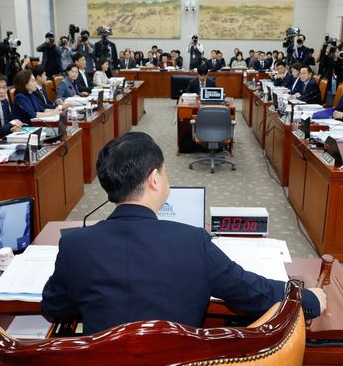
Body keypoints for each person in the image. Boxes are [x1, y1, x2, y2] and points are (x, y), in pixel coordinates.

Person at [41, 132, 326, 335]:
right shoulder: (193, 242)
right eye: (165, 173)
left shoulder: (75, 244)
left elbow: (54, 307)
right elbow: (251, 292)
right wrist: (310, 299)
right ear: (154, 179)